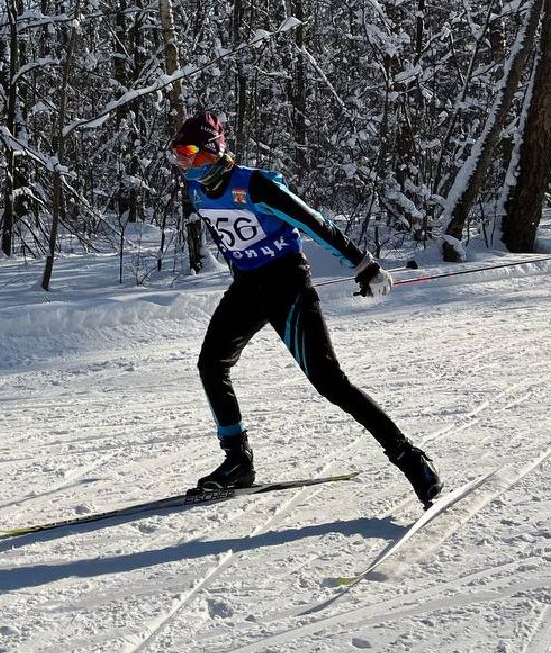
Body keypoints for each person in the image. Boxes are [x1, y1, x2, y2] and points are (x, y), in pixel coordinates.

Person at [169, 111, 443, 507]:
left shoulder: (256, 184)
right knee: (211, 365)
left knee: (330, 382)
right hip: (247, 287)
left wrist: (363, 267)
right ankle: (237, 462)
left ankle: (409, 457)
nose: (186, 164)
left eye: (191, 153)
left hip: (286, 286)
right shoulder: (198, 191)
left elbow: (314, 223)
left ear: (214, 150)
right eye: (179, 155)